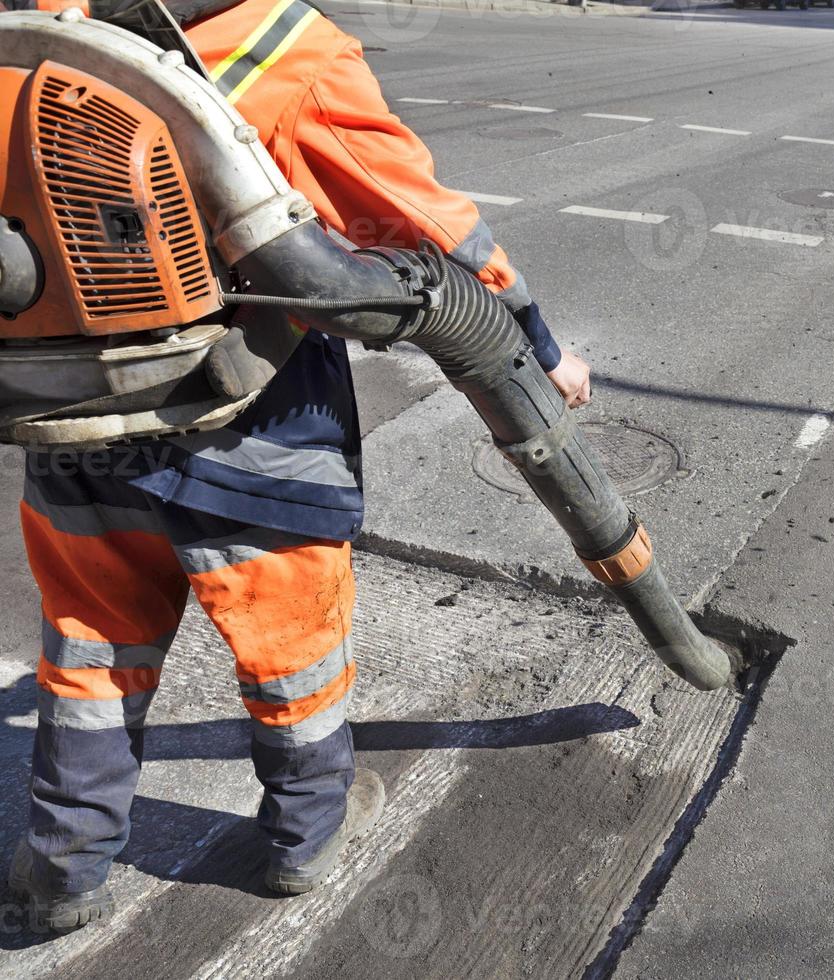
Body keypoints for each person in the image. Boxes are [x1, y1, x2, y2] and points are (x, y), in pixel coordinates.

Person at [1, 0, 592, 931]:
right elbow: (425, 223)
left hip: (74, 425)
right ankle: (305, 839)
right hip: (255, 434)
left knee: (90, 657)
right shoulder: (285, 50)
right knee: (293, 656)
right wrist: (536, 343)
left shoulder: (37, 31)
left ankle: (61, 874)